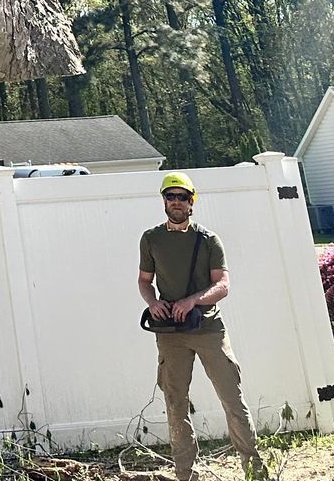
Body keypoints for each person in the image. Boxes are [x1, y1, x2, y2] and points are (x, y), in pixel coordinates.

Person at [138, 171, 266, 481]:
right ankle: (186, 473)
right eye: (171, 196)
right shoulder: (151, 238)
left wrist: (192, 301)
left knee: (231, 397)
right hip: (170, 334)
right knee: (174, 401)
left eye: (183, 197)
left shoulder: (208, 239)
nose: (177, 202)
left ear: (192, 202)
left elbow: (222, 285)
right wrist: (152, 303)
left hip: (208, 329)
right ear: (164, 201)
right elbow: (145, 282)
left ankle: (255, 469)